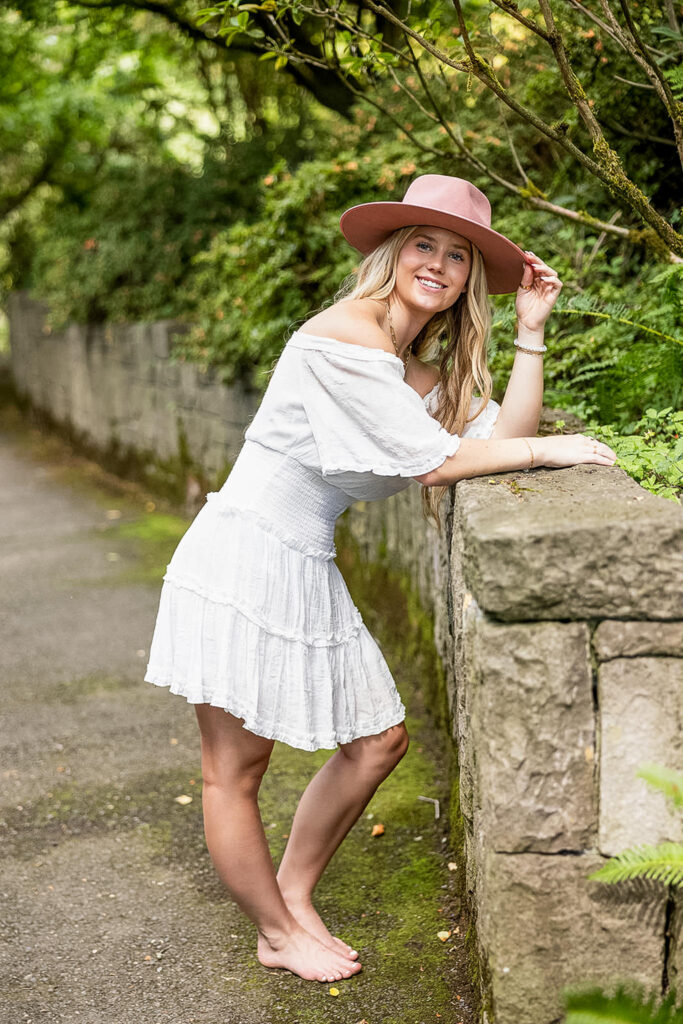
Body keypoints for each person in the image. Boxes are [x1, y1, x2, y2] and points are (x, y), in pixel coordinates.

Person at [143, 174, 617, 985]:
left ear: (468, 279)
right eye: (423, 244)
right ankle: (276, 931)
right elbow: (441, 464)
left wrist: (531, 332)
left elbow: (498, 432)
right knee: (235, 769)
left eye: (457, 254)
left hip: (302, 559)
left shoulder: (412, 368)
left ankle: (291, 898)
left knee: (377, 743)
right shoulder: (347, 336)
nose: (436, 262)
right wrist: (546, 454)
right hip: (243, 552)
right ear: (393, 253)